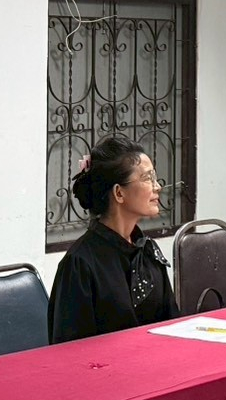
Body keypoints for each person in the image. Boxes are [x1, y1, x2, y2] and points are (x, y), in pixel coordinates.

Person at [49, 135, 180, 343]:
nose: (157, 187)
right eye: (147, 178)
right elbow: (69, 349)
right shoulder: (80, 264)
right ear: (119, 193)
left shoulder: (148, 251)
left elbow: (172, 326)